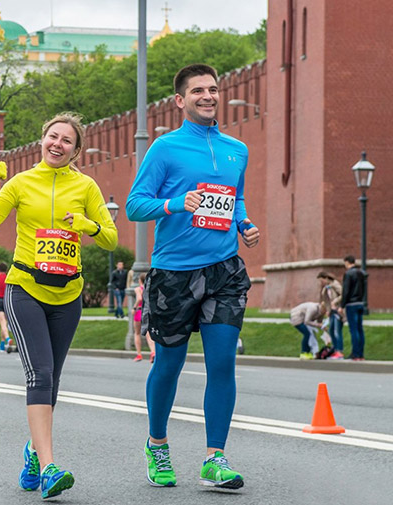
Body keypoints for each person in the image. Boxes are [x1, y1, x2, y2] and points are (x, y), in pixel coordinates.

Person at [126, 64, 260, 490]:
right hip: (173, 272)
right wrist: (176, 203)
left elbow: (234, 199)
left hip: (224, 270)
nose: (208, 95)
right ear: (180, 100)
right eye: (198, 90)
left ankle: (214, 458)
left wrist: (243, 223)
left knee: (223, 364)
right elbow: (135, 205)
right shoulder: (164, 149)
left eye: (213, 89)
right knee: (169, 364)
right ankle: (157, 443)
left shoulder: (237, 149)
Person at [0, 111, 117, 498]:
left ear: (76, 150)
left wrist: (86, 225)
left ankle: (33, 453)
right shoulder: (21, 183)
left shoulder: (86, 187)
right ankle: (50, 466)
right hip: (25, 288)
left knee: (51, 381)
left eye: (66, 140)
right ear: (42, 139)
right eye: (53, 136)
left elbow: (110, 237)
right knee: (39, 374)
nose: (57, 144)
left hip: (68, 295)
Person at [340, 255, 366, 361]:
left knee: (354, 330)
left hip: (351, 304)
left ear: (347, 262)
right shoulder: (361, 273)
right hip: (360, 303)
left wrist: (342, 305)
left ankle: (355, 353)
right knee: (360, 329)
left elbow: (346, 290)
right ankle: (360, 354)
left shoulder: (348, 274)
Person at [317, 272, 344, 359]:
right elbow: (326, 300)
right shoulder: (326, 288)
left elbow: (343, 295)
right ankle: (334, 350)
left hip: (337, 311)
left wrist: (335, 302)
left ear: (326, 278)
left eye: (322, 280)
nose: (322, 283)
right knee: (331, 330)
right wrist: (328, 310)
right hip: (331, 311)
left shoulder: (335, 284)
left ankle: (339, 351)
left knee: (337, 331)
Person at [132, 272, 155, 363]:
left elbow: (139, 299)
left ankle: (139, 354)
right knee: (149, 333)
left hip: (139, 310)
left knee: (137, 333)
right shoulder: (150, 288)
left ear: (140, 280)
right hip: (148, 311)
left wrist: (134, 307)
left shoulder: (138, 289)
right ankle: (153, 352)